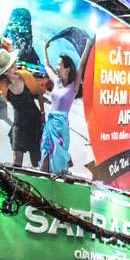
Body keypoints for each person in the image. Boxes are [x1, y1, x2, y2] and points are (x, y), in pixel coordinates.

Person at [40, 27, 92, 174]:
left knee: (58, 157)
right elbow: (46, 65)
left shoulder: (73, 87)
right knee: (45, 152)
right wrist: (44, 48)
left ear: (67, 69)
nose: (57, 68)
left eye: (60, 65)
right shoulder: (55, 81)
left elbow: (81, 66)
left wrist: (87, 47)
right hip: (50, 124)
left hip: (61, 126)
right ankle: (43, 176)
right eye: (57, 64)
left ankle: (60, 174)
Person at [0, 46, 45, 168]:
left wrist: (42, 114)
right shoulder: (3, 86)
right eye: (11, 66)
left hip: (35, 121)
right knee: (16, 162)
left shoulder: (26, 76)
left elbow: (39, 94)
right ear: (5, 72)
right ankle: (15, 185)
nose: (15, 66)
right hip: (19, 124)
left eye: (14, 63)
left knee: (36, 160)